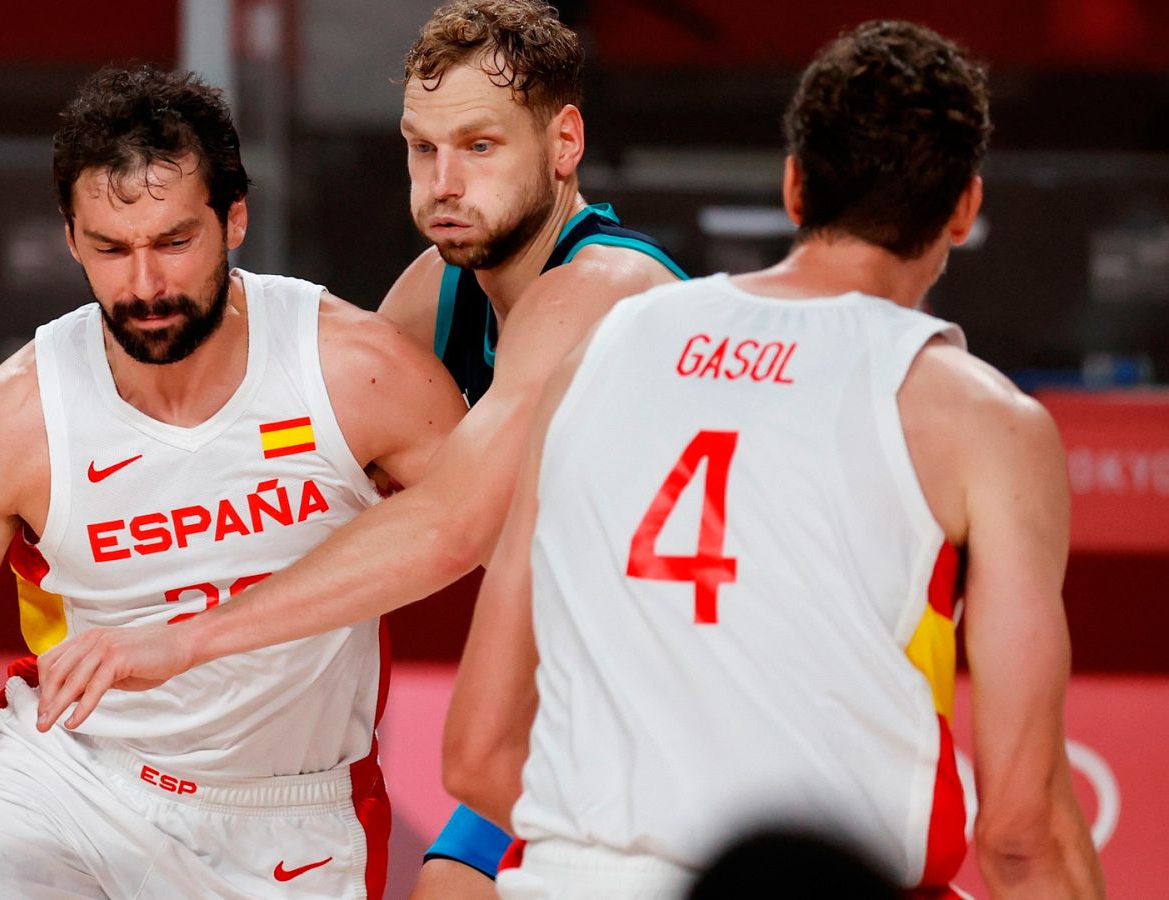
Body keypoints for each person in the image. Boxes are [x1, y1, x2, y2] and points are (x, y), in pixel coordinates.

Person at [0, 65, 467, 899]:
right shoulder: (15, 415)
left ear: (235, 219)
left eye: (174, 243)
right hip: (69, 783)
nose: (145, 286)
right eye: (111, 249)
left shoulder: (356, 372)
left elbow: (475, 531)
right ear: (72, 240)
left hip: (287, 814)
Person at [25, 2, 685, 895]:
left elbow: (448, 524)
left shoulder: (600, 284)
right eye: (423, 148)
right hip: (588, 695)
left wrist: (185, 638)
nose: (444, 183)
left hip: (701, 697)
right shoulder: (441, 286)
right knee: (451, 882)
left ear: (564, 142)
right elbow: (308, 461)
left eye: (480, 147)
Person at [441, 19, 1106, 900]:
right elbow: (1023, 835)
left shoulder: (601, 348)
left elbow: (476, 753)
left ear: (794, 188)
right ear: (964, 208)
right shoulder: (982, 418)